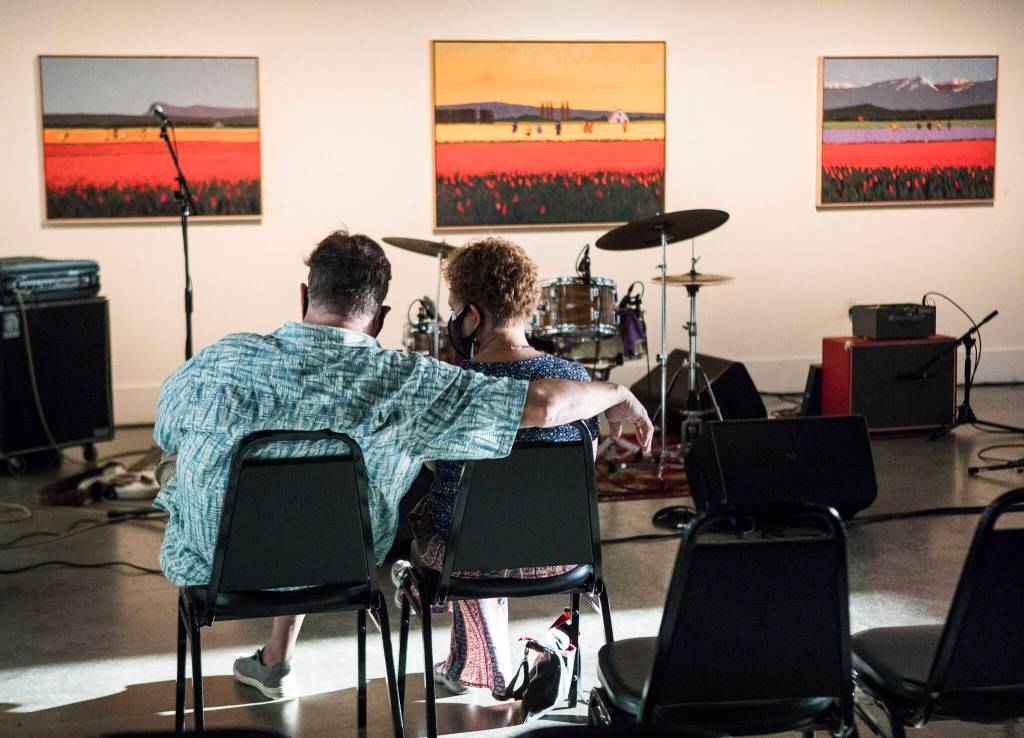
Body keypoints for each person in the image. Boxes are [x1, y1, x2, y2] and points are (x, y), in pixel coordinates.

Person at [152, 229, 653, 699]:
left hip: (215, 566)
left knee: (223, 476)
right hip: (337, 561)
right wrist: (614, 392)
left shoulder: (217, 360)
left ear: (305, 296)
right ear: (381, 316)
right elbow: (540, 406)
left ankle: (276, 658)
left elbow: (165, 434)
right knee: (340, 502)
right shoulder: (407, 383)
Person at [402, 237, 601, 699]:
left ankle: (477, 662)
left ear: (473, 316)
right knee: (481, 515)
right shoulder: (576, 382)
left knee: (439, 513)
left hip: (467, 561)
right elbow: (583, 470)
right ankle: (467, 661)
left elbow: (437, 465)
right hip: (561, 552)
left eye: (455, 310)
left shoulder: (457, 385)